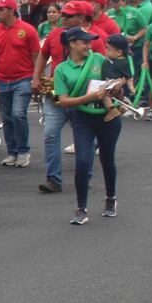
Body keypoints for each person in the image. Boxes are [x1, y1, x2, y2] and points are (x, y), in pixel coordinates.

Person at [53, 28, 120, 225]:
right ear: (72, 43)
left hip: (107, 117)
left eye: (90, 42)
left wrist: (118, 85)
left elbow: (118, 75)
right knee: (82, 161)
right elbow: (63, 101)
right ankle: (81, 207)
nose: (88, 45)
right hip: (82, 117)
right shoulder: (61, 69)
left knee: (107, 159)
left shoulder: (98, 59)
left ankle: (111, 197)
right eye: (84, 42)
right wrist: (88, 98)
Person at [32, 0, 94, 193]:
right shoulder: (54, 34)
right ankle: (53, 179)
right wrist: (36, 77)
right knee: (50, 134)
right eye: (63, 15)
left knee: (83, 138)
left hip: (81, 97)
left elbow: (100, 64)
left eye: (69, 16)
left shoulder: (93, 38)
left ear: (81, 18)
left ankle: (85, 175)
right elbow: (43, 55)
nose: (63, 18)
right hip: (56, 94)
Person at [0, 0, 40, 168]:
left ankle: (24, 151)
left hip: (23, 78)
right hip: (2, 79)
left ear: (11, 10)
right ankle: (12, 152)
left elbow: (36, 56)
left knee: (18, 114)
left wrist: (36, 78)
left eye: (1, 9)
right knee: (7, 117)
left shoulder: (28, 30)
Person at [99, 34, 135, 121]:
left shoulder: (123, 63)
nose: (106, 51)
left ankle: (111, 109)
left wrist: (131, 87)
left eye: (109, 49)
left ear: (119, 52)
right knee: (117, 95)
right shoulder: (109, 59)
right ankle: (120, 107)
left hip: (111, 84)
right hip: (112, 84)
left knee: (104, 95)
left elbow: (129, 77)